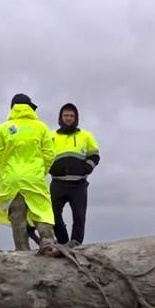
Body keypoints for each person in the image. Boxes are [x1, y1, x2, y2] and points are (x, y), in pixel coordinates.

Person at [0, 93, 56, 251]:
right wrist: (41, 171)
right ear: (30, 108)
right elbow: (50, 154)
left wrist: (7, 171)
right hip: (34, 177)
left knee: (17, 217)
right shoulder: (41, 127)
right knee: (41, 211)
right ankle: (48, 243)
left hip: (12, 180)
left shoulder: (4, 128)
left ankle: (22, 251)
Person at [49, 103, 100, 246]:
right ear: (61, 117)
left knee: (79, 217)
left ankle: (76, 244)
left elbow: (95, 155)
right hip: (58, 183)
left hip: (79, 185)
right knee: (53, 215)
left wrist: (87, 168)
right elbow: (43, 156)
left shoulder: (85, 135)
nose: (69, 118)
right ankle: (63, 241)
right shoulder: (50, 136)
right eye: (66, 115)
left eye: (71, 116)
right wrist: (51, 168)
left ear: (76, 117)